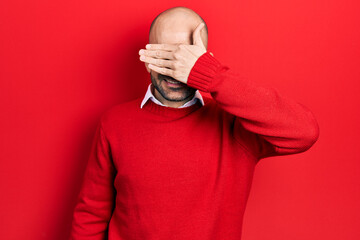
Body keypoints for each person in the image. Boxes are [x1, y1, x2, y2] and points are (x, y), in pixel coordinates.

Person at [69, 6, 319, 240]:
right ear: (146, 57)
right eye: (165, 55)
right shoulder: (114, 122)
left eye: (185, 56)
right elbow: (92, 213)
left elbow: (304, 131)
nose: (175, 69)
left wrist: (210, 75)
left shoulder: (234, 125)